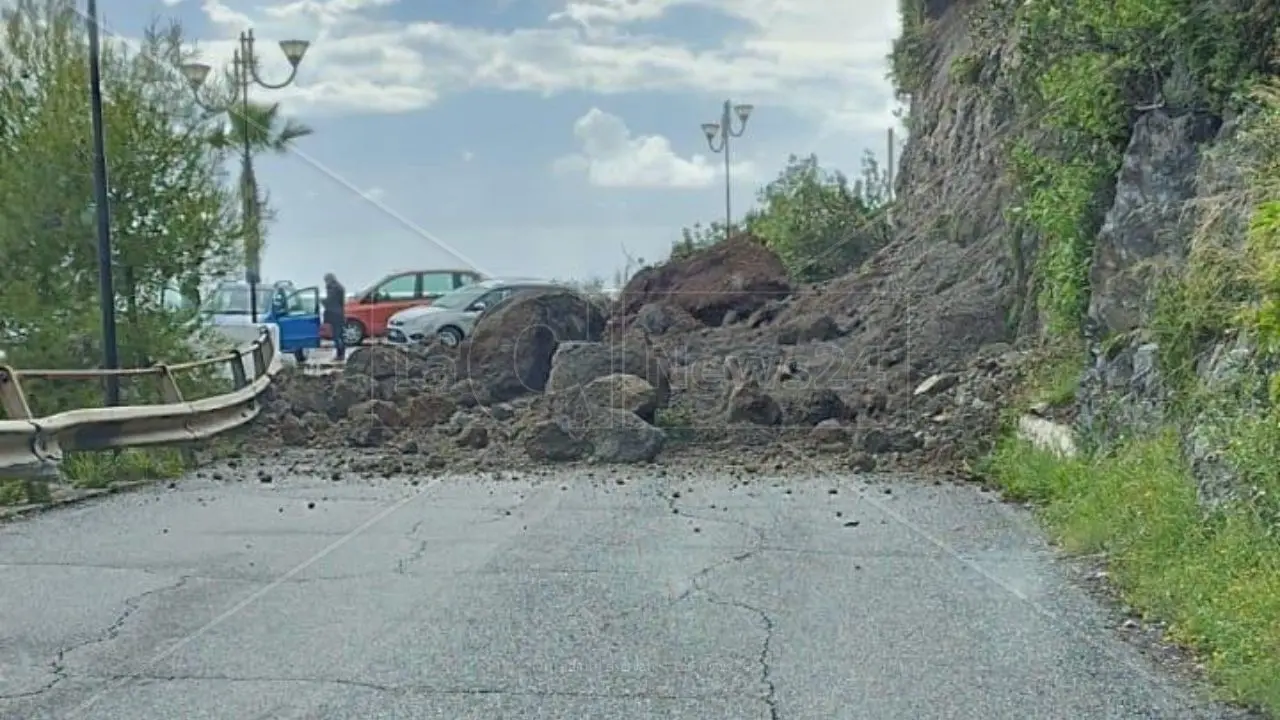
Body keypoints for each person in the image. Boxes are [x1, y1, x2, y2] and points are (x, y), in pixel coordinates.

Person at [323, 272, 346, 361]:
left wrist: (322, 301)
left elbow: (330, 301)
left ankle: (340, 355)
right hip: (339, 313)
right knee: (340, 335)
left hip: (334, 314)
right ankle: (341, 354)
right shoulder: (339, 287)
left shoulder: (333, 288)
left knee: (337, 336)